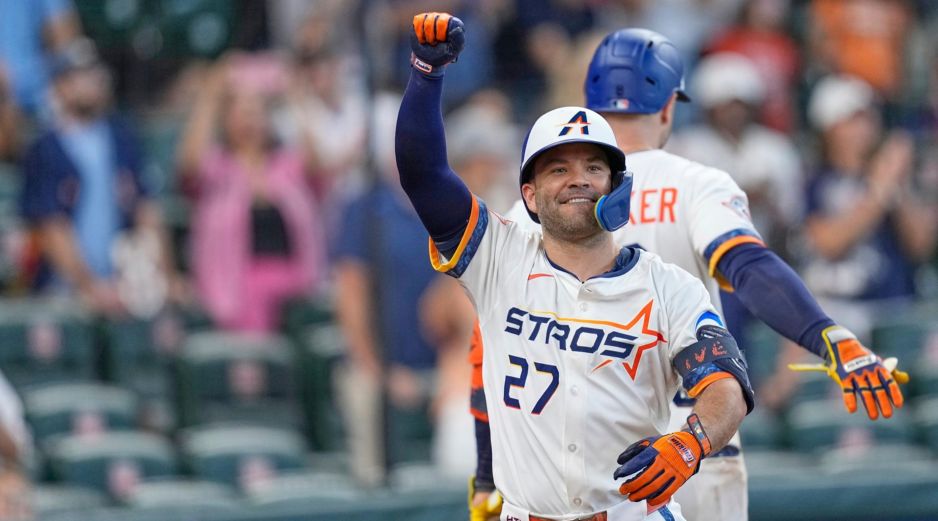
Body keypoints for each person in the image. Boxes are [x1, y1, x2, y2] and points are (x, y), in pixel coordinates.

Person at [469, 29, 910, 521]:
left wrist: (488, 474)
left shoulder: (540, 201)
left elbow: (486, 350)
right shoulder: (695, 182)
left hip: (587, 477)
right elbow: (749, 267)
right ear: (667, 106)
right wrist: (830, 338)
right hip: (697, 446)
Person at [397, 13, 753, 521]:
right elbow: (423, 174)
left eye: (593, 167)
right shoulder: (497, 256)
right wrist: (425, 74)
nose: (578, 180)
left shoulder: (671, 288)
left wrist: (690, 443)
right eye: (558, 168)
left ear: (618, 186)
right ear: (530, 195)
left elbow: (726, 388)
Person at [19, 39, 177, 318]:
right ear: (60, 85)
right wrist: (91, 286)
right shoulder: (45, 147)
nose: (90, 82)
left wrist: (165, 274)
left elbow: (145, 211)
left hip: (126, 283)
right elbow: (50, 228)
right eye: (79, 76)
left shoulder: (122, 136)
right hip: (64, 291)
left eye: (94, 73)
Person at [176, 53, 326, 332]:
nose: (250, 119)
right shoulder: (218, 168)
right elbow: (190, 164)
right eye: (242, 111)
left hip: (295, 283)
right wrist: (210, 96)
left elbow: (317, 164)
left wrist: (296, 99)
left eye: (257, 111)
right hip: (237, 288)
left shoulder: (285, 166)